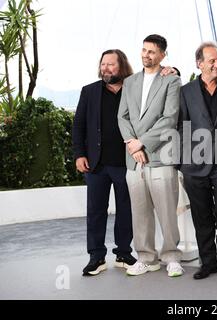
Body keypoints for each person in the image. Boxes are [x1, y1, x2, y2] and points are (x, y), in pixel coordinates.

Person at [117, 34, 184, 277]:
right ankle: (146, 257)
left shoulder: (171, 80)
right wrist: (133, 146)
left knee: (167, 210)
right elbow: (122, 117)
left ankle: (172, 257)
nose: (146, 55)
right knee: (140, 212)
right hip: (134, 160)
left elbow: (170, 118)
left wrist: (141, 144)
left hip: (160, 156)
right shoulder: (130, 82)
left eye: (152, 52)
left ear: (162, 55)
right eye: (144, 50)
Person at [178, 42, 217, 280]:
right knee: (201, 214)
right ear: (199, 63)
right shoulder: (186, 91)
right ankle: (208, 261)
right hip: (194, 163)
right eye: (212, 60)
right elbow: (181, 127)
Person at [72, 49, 137, 276]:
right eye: (103, 64)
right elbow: (78, 125)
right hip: (95, 165)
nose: (106, 68)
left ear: (122, 67)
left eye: (111, 65)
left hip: (125, 163)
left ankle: (123, 253)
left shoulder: (134, 89)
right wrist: (79, 154)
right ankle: (96, 257)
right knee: (95, 211)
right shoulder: (89, 91)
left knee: (126, 211)